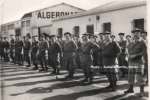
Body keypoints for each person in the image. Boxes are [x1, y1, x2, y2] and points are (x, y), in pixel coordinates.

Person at [124, 29, 146, 97]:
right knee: (130, 76)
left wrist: (136, 55)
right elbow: (127, 50)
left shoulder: (142, 42)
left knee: (140, 77)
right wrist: (127, 56)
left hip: (139, 62)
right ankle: (131, 89)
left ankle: (141, 91)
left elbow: (144, 52)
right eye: (134, 33)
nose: (135, 34)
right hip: (131, 61)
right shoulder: (131, 42)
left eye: (137, 33)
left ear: (139, 34)